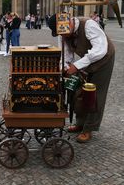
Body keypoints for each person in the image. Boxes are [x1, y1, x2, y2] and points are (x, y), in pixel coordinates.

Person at [48, 14, 115, 143]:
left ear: (70, 25)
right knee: (79, 91)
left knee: (95, 94)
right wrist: (65, 66)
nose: (62, 36)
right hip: (88, 61)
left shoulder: (89, 25)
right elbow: (65, 55)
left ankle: (89, 128)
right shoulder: (63, 33)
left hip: (104, 60)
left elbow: (100, 50)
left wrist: (77, 66)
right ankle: (80, 123)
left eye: (62, 33)